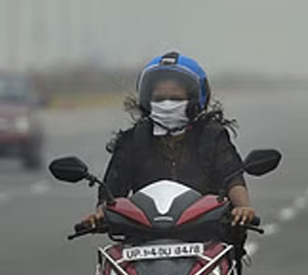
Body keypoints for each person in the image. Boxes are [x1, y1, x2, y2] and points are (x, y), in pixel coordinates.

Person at [82, 51, 256, 229]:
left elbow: (232, 178)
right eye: (159, 99)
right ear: (147, 101)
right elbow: (112, 192)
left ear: (195, 100)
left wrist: (243, 207)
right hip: (143, 235)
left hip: (206, 232)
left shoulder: (212, 136)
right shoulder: (133, 139)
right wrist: (100, 214)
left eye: (176, 99)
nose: (167, 104)